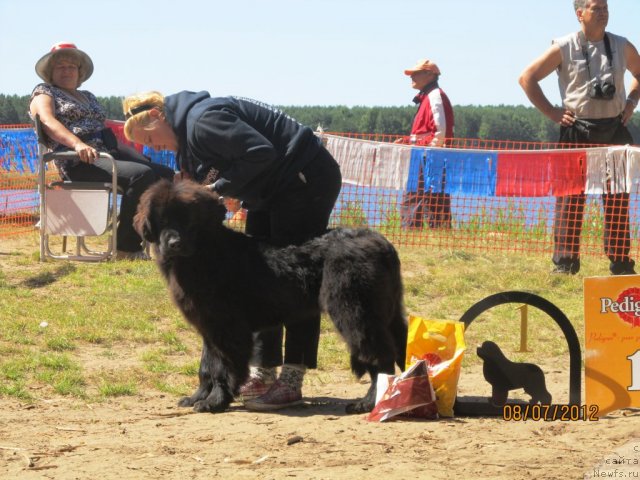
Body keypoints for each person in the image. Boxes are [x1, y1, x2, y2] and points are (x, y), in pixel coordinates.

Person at [122, 90, 342, 410]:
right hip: (270, 192)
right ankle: (262, 371)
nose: (153, 147)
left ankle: (292, 378)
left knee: (299, 277)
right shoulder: (188, 139)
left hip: (304, 180)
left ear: (157, 116)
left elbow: (259, 151)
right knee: (261, 278)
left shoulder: (203, 122)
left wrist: (220, 188)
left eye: (150, 138)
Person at [519, 0, 640, 275]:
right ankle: (565, 264)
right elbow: (527, 77)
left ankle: (621, 263)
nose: (603, 12)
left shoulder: (622, 45)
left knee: (617, 198)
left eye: (606, 7)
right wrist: (551, 111)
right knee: (570, 200)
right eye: (596, 7)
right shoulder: (564, 46)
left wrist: (631, 102)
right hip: (576, 131)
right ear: (579, 13)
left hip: (614, 131)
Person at [29, 42, 175, 260]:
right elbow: (47, 121)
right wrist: (78, 144)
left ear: (80, 72)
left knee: (165, 174)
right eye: (60, 67)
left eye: (72, 66)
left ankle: (166, 240)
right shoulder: (44, 93)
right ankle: (126, 247)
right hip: (79, 159)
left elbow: (104, 127)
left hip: (107, 149)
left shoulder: (88, 96)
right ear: (50, 72)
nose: (66, 70)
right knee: (141, 175)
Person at [399, 59, 454, 229]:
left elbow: (440, 132)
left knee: (427, 201)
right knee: (426, 200)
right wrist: (407, 141)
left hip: (430, 158)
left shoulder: (435, 96)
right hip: (425, 156)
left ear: (430, 75)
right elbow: (429, 132)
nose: (412, 77)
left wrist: (428, 154)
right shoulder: (428, 97)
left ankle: (420, 239)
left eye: (416, 73)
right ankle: (427, 238)